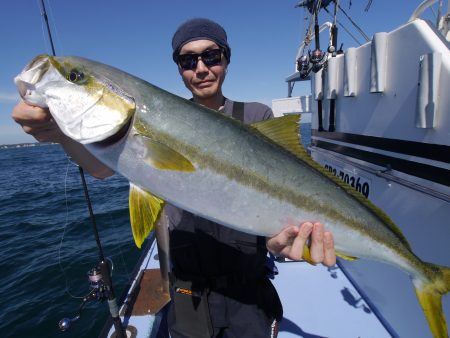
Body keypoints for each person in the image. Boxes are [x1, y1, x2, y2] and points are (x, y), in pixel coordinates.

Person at [12, 18, 336, 338]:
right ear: (179, 68)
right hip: (188, 294)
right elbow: (101, 168)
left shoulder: (256, 117)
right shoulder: (150, 122)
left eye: (211, 56)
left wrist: (280, 242)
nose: (201, 68)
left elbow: (277, 203)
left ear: (226, 58)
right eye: (188, 60)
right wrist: (60, 133)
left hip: (249, 292)